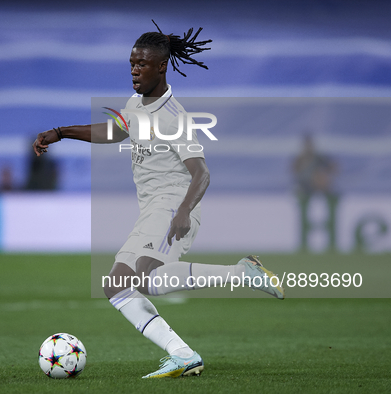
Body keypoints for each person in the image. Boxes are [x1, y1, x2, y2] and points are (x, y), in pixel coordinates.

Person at [32, 21, 284, 379]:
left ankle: (240, 274)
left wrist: (183, 211)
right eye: (132, 63)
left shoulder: (172, 117)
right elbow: (114, 131)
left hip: (172, 207)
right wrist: (61, 132)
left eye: (142, 64)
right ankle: (182, 354)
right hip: (152, 209)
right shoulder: (137, 102)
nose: (134, 71)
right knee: (115, 284)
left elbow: (202, 172)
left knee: (146, 277)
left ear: (161, 66)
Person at [292, 134, 338, 252]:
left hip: (315, 186)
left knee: (321, 180)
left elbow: (331, 167)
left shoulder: (318, 157)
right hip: (304, 187)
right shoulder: (300, 158)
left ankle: (330, 243)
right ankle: (303, 243)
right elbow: (294, 172)